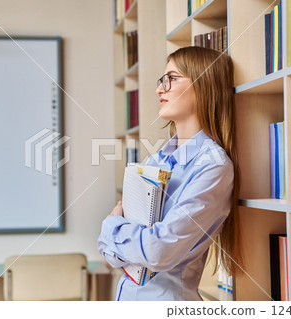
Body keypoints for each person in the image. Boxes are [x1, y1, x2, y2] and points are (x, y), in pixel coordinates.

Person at [97, 46, 243, 301]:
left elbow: (159, 250)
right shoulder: (155, 160)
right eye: (162, 80)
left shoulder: (213, 167)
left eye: (171, 79)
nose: (159, 89)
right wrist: (126, 240)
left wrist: (111, 225)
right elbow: (107, 253)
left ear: (203, 84)